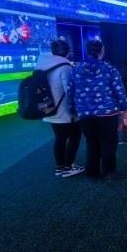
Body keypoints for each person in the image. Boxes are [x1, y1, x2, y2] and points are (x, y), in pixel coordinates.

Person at [67, 40, 127, 179]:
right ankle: (109, 172)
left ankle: (92, 172)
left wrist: (71, 110)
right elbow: (119, 90)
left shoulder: (75, 69)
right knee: (109, 143)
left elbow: (70, 91)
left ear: (87, 51)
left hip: (85, 114)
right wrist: (125, 108)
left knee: (91, 142)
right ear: (102, 51)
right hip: (108, 113)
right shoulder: (109, 68)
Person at [36, 40, 83, 177]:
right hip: (64, 111)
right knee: (75, 136)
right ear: (67, 52)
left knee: (60, 138)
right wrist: (75, 111)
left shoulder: (41, 65)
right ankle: (68, 167)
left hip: (49, 109)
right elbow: (70, 91)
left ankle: (60, 167)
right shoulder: (65, 67)